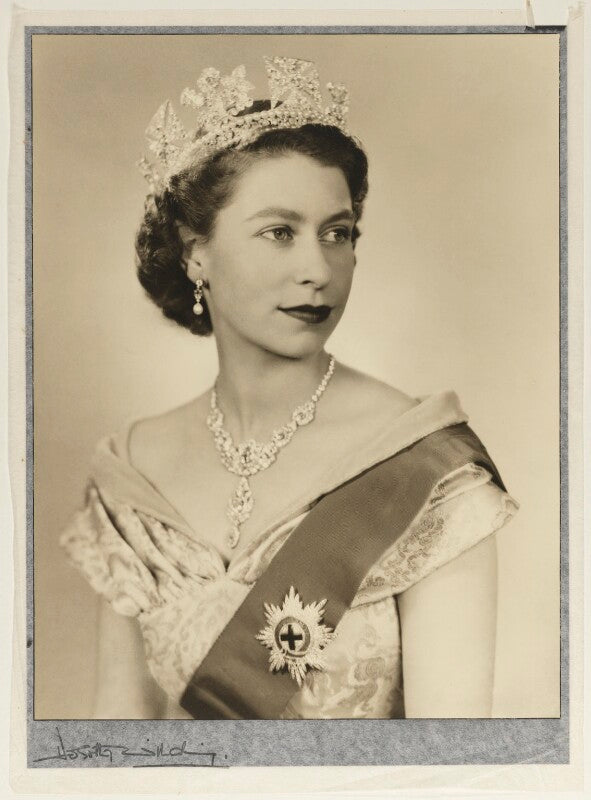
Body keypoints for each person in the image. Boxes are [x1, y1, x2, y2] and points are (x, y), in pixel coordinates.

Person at [59, 56, 519, 720]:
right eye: (279, 233)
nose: (318, 269)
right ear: (195, 252)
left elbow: (451, 759)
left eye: (338, 234)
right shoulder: (134, 469)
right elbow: (119, 740)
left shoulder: (427, 470)